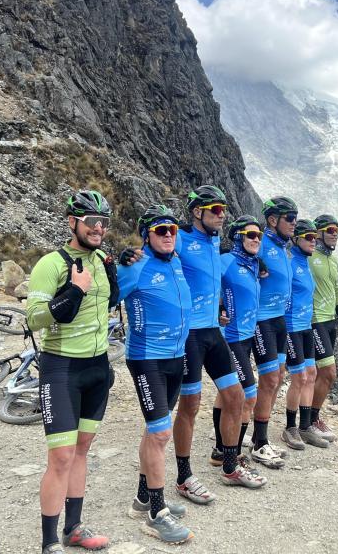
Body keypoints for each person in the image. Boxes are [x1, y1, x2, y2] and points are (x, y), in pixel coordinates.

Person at [26, 190, 117, 553]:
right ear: (72, 222)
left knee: (82, 449)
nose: (99, 228)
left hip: (97, 366)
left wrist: (121, 265)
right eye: (92, 221)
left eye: (104, 222)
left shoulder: (101, 261)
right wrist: (74, 293)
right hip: (62, 367)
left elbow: (111, 302)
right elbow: (33, 319)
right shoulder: (52, 263)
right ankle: (50, 543)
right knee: (61, 457)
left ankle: (74, 528)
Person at [172, 186, 264, 502]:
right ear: (197, 212)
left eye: (224, 210)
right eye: (215, 210)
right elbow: (155, 259)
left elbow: (214, 283)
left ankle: (229, 466)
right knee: (190, 406)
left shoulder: (213, 244)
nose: (222, 215)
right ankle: (184, 477)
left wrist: (221, 309)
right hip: (189, 337)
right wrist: (132, 257)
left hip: (214, 332)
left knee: (235, 396)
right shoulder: (181, 238)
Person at [117, 204, 195, 544]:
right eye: (160, 230)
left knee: (154, 430)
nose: (168, 235)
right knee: (161, 433)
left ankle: (142, 497)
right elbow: (105, 295)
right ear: (146, 235)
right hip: (147, 357)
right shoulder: (136, 266)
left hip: (176, 357)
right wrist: (117, 263)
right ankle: (156, 513)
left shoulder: (176, 261)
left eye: (172, 230)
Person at [209, 214, 268, 486]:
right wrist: (219, 307)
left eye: (259, 235)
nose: (257, 239)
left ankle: (221, 450)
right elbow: (206, 282)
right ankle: (234, 456)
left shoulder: (253, 263)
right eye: (250, 235)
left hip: (246, 336)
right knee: (249, 396)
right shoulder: (226, 260)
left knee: (226, 395)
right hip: (229, 337)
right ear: (237, 237)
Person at [249, 195, 298, 468]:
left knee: (278, 377)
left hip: (279, 320)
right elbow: (228, 255)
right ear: (272, 220)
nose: (294, 223)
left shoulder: (282, 247)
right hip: (261, 320)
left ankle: (259, 435)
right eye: (289, 218)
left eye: (295, 218)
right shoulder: (260, 242)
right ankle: (259, 443)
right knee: (268, 380)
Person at [281, 219, 329, 450]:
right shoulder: (290, 263)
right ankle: (290, 428)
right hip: (291, 327)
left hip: (306, 326)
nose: (314, 241)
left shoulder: (304, 263)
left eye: (315, 237)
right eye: (308, 237)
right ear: (295, 239)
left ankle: (305, 426)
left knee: (311, 373)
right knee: (299, 377)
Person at [308, 214, 338, 441]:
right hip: (313, 321)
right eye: (331, 230)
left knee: (317, 374)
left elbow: (337, 291)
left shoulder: (333, 260)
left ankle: (309, 418)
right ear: (319, 233)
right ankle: (310, 420)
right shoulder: (309, 255)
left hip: (329, 321)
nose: (335, 234)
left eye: (337, 231)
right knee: (328, 373)